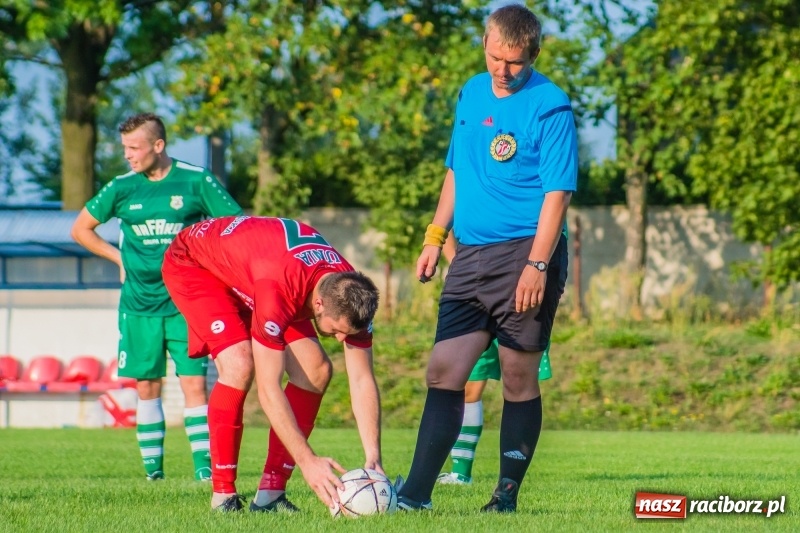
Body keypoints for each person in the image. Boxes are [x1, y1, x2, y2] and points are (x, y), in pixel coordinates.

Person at [397, 4, 577, 513]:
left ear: (534, 55)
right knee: (444, 370)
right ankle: (416, 495)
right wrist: (435, 235)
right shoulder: (472, 92)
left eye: (515, 62)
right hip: (470, 256)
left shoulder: (551, 106)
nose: (503, 70)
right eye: (496, 57)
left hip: (526, 254)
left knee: (517, 377)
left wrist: (537, 265)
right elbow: (457, 168)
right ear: (484, 44)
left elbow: (558, 193)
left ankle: (505, 494)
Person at [161, 215, 383, 512]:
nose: (343, 338)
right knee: (240, 364)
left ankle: (270, 495)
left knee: (316, 371)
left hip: (259, 268)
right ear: (318, 304)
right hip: (194, 263)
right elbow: (268, 388)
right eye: (337, 330)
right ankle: (223, 495)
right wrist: (308, 462)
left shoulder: (350, 290)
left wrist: (374, 457)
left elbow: (362, 379)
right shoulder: (277, 290)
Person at [71, 113, 243, 482]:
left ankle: (204, 474)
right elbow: (81, 228)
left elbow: (234, 227)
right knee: (147, 386)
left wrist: (213, 269)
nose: (128, 156)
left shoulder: (196, 180)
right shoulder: (122, 187)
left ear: (158, 146)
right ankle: (154, 476)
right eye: (125, 149)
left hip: (188, 304)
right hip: (138, 305)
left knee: (194, 383)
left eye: (134, 148)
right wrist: (119, 258)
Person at [436, 233, 557, 486]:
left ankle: (508, 487)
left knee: (518, 380)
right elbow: (448, 221)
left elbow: (556, 222)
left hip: (522, 290)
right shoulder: (471, 196)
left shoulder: (540, 197)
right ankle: (461, 472)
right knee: (467, 380)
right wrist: (461, 267)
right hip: (477, 291)